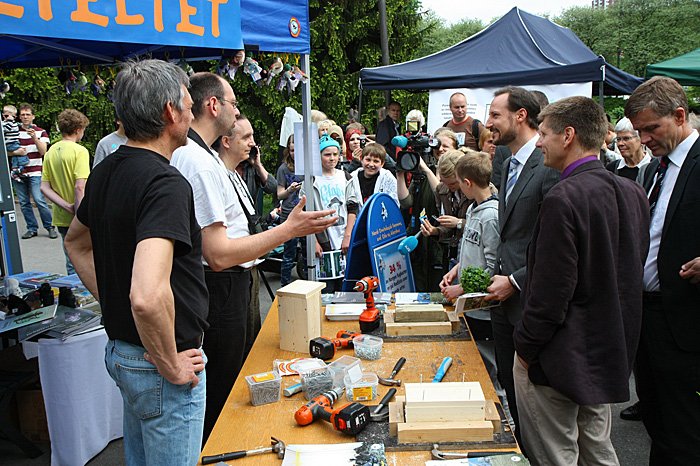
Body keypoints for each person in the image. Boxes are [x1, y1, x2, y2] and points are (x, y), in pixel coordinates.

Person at [170, 72, 337, 443]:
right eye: (233, 103)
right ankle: (222, 447)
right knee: (223, 391)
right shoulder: (196, 161)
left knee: (235, 378)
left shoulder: (205, 158)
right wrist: (289, 230)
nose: (237, 110)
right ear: (214, 106)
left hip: (231, 283)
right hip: (219, 286)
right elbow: (216, 253)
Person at [64, 58, 209, 465]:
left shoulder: (107, 169)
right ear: (169, 112)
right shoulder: (165, 184)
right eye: (186, 103)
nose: (191, 112)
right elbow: (146, 296)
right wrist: (170, 365)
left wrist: (114, 300)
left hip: (128, 354)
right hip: (159, 365)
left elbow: (75, 243)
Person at [512, 96, 649, 465]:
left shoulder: (564, 197)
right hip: (606, 349)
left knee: (558, 455)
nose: (538, 142)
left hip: (559, 356)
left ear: (568, 135)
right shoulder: (632, 192)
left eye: (543, 133)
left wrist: (525, 349)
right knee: (598, 450)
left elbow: (551, 291)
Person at [625, 76, 700, 466]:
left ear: (680, 115)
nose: (644, 139)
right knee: (657, 422)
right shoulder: (655, 170)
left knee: (684, 431)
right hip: (649, 317)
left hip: (687, 324)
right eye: (639, 131)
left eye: (651, 128)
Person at [483, 86, 559, 444]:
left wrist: (515, 280)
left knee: (537, 404)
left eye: (495, 115)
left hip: (530, 301)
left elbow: (555, 245)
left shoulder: (547, 166)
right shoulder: (505, 162)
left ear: (521, 116)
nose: (488, 123)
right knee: (512, 392)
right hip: (503, 302)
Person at [230, 115, 277, 357]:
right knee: (238, 341)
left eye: (253, 137)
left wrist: (257, 164)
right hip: (234, 265)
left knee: (253, 329)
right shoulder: (218, 171)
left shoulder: (248, 168)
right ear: (226, 141)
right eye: (246, 137)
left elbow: (273, 188)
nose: (252, 143)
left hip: (252, 260)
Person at [396, 128, 457, 291]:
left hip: (442, 244)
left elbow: (440, 192)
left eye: (446, 146)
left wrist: (425, 169)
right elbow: (406, 202)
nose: (441, 149)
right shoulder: (423, 172)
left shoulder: (457, 173)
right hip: (420, 241)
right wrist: (400, 175)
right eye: (437, 145)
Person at [40, 109, 90, 275]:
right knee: (87, 258)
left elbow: (44, 187)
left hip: (61, 216)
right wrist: (79, 211)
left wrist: (66, 206)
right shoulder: (80, 151)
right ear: (78, 130)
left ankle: (73, 294)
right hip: (79, 216)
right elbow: (79, 186)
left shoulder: (50, 152)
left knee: (71, 259)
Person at [306, 135, 350, 291]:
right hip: (324, 240)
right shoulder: (311, 180)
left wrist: (348, 236)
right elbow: (305, 214)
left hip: (343, 236)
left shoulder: (345, 176)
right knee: (327, 288)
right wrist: (314, 242)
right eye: (327, 154)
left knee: (344, 286)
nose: (332, 158)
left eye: (335, 154)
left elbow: (353, 208)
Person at [419, 149, 469, 273]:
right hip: (452, 253)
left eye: (452, 183)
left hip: (472, 252)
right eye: (443, 182)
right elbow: (448, 228)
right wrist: (435, 231)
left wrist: (459, 223)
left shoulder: (479, 189)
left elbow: (487, 225)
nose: (448, 187)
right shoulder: (441, 190)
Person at [342, 143, 398, 253]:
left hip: (380, 230)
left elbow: (393, 204)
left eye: (376, 161)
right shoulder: (352, 178)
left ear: (382, 163)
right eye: (368, 160)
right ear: (361, 159)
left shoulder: (388, 178)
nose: (371, 164)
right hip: (357, 229)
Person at [13, 103, 56, 239]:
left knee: (39, 199)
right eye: (23, 115)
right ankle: (32, 228)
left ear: (33, 117)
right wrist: (15, 151)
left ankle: (50, 226)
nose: (25, 117)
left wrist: (34, 138)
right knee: (24, 203)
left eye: (27, 114)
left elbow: (43, 151)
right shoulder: (14, 132)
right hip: (18, 172)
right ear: (19, 117)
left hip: (35, 171)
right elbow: (6, 150)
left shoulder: (40, 132)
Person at [277, 135, 305, 286]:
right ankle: (285, 286)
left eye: (298, 150)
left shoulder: (309, 167)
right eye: (292, 150)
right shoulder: (283, 168)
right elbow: (279, 194)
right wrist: (289, 189)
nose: (295, 153)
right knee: (289, 254)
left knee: (308, 254)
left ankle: (308, 284)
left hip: (305, 212)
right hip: (288, 213)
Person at [605, 117, 651, 184]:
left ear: (640, 138)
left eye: (626, 138)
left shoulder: (654, 169)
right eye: (618, 139)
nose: (620, 143)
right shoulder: (612, 169)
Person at [2, 104, 25, 177]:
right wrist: (9, 121)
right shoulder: (4, 124)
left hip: (14, 143)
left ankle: (15, 170)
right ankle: (19, 169)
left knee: (16, 157)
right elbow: (5, 130)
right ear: (3, 115)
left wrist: (31, 126)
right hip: (10, 143)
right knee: (23, 155)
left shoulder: (14, 123)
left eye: (13, 117)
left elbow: (20, 124)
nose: (10, 118)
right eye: (6, 116)